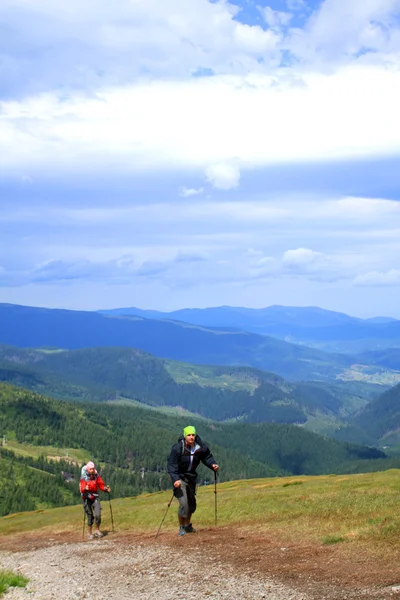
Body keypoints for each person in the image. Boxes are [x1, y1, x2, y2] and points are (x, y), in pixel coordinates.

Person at [167, 425, 218, 536]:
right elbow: (171, 464)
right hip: (180, 478)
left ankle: (187, 526)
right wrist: (175, 479)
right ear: (185, 436)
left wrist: (212, 465)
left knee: (191, 504)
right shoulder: (177, 448)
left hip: (191, 478)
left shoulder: (199, 447)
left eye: (193, 435)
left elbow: (207, 457)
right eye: (189, 435)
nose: (191, 437)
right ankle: (181, 527)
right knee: (183, 504)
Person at [80, 461, 111, 540]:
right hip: (86, 498)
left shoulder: (96, 476)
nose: (92, 470)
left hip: (95, 497)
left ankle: (97, 530)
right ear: (87, 469)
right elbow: (82, 488)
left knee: (98, 514)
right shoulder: (84, 477)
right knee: (90, 515)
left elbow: (101, 485)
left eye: (93, 469)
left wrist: (105, 489)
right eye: (91, 469)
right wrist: (84, 488)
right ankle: (89, 533)